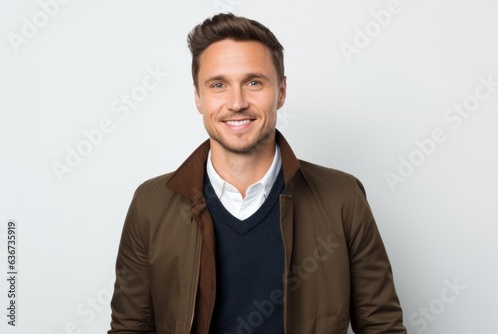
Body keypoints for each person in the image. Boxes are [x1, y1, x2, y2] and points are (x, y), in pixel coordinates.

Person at [108, 12, 407, 334]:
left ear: (280, 92)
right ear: (198, 97)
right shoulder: (151, 203)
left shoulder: (342, 196)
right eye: (218, 84)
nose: (236, 102)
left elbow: (382, 326)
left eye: (254, 82)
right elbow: (130, 327)